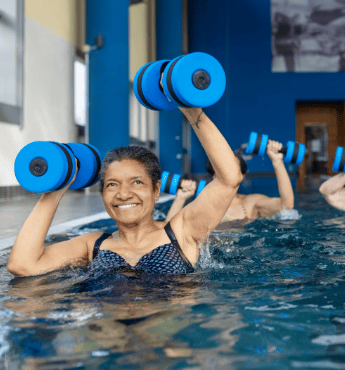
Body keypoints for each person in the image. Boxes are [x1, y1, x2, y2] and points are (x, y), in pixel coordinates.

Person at [7, 106, 243, 277]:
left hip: (167, 340)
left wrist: (194, 113)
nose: (123, 194)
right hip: (106, 340)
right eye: (112, 184)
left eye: (137, 183)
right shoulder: (93, 245)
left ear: (156, 190)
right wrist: (58, 186)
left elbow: (229, 179)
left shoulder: (182, 232)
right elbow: (23, 265)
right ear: (102, 195)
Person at [166, 140, 294, 225]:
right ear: (214, 174)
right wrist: (180, 198)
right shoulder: (200, 205)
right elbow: (167, 236)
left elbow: (286, 205)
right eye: (221, 168)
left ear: (241, 176)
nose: (226, 173)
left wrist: (277, 162)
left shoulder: (251, 204)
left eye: (231, 169)